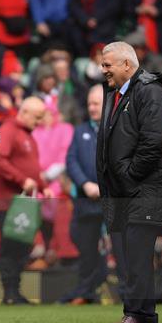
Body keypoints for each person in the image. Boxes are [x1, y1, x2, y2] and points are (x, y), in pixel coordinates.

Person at [96, 41, 162, 323]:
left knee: (138, 255)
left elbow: (154, 140)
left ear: (126, 65)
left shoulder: (149, 91)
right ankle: (144, 317)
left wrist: (130, 175)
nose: (102, 69)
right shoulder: (116, 93)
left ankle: (138, 315)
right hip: (127, 191)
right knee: (131, 256)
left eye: (108, 65)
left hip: (146, 188)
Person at [0, 96, 52, 304]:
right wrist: (21, 179)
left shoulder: (27, 135)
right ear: (24, 112)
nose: (39, 122)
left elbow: (30, 168)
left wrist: (44, 187)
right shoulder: (9, 130)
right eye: (37, 117)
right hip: (9, 201)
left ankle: (14, 291)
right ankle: (9, 292)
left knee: (22, 245)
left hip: (22, 203)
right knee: (11, 245)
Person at [62, 84, 109, 304]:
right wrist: (85, 184)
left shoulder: (118, 129)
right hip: (86, 203)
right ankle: (86, 292)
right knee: (86, 249)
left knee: (121, 250)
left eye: (96, 103)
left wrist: (106, 187)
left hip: (113, 202)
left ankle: (127, 295)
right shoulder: (80, 131)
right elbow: (71, 161)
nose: (91, 108)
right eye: (89, 103)